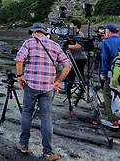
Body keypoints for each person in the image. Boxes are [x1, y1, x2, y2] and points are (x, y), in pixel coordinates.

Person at [14, 22, 71, 161]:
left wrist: (20, 76)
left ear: (34, 32)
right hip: (48, 87)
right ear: (45, 33)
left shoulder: (29, 43)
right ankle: (48, 152)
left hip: (31, 85)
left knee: (27, 112)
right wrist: (58, 81)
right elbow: (67, 65)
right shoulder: (55, 45)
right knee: (46, 117)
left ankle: (23, 144)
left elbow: (19, 60)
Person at [100, 23, 120, 129]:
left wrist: (103, 73)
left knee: (107, 93)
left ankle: (113, 120)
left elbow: (105, 59)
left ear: (108, 32)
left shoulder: (106, 42)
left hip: (113, 73)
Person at [65, 19, 87, 107]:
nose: (70, 26)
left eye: (71, 25)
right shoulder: (70, 35)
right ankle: (68, 94)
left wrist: (68, 46)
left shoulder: (80, 35)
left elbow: (79, 46)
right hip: (72, 58)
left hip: (80, 59)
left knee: (79, 76)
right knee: (70, 76)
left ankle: (82, 92)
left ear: (75, 26)